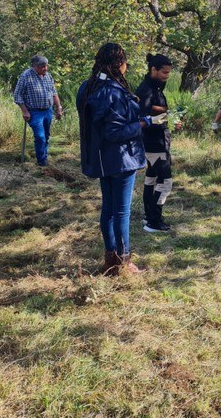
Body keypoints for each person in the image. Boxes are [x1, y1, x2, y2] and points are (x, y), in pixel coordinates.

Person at [76, 43, 155, 275]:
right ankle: (123, 261)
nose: (126, 66)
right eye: (125, 62)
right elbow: (115, 132)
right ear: (119, 64)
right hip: (121, 159)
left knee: (109, 209)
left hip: (100, 159)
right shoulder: (113, 91)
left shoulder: (88, 87)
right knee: (121, 211)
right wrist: (143, 122)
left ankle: (111, 258)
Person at [135, 53, 182, 233]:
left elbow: (157, 111)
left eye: (169, 73)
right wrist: (165, 113)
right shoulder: (146, 89)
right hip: (154, 142)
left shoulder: (156, 87)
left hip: (158, 139)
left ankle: (149, 217)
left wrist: (171, 116)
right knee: (166, 182)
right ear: (153, 70)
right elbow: (143, 113)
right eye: (164, 72)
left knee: (152, 178)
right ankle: (154, 222)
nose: (167, 76)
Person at [13, 54, 63, 166]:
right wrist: (25, 111)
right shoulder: (26, 76)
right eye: (42, 66)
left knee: (46, 135)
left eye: (46, 66)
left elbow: (54, 93)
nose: (45, 68)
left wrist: (59, 108)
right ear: (35, 66)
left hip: (48, 110)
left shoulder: (48, 76)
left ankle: (43, 155)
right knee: (40, 136)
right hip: (34, 112)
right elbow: (17, 95)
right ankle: (42, 161)